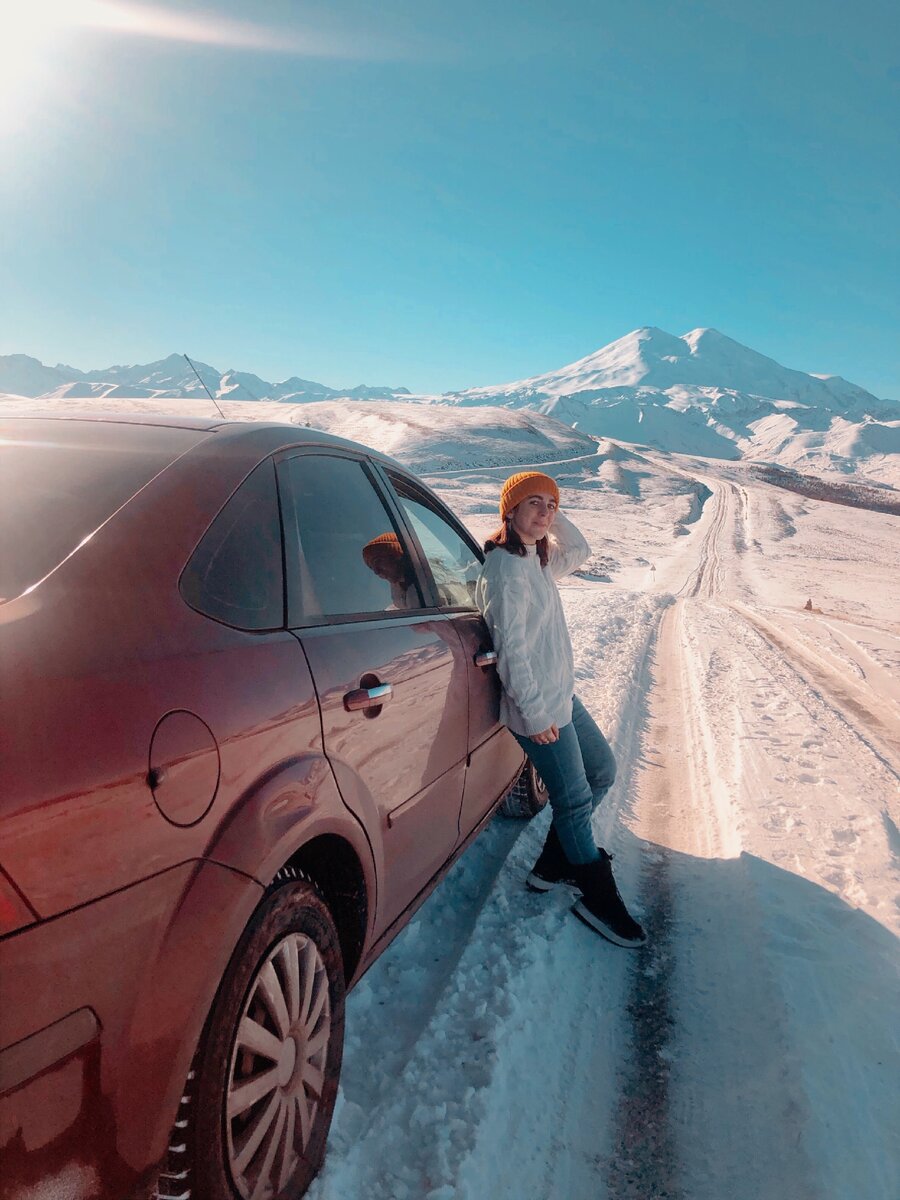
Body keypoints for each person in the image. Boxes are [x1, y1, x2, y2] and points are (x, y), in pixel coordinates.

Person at [476, 471, 646, 948]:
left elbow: (582, 551)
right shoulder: (507, 569)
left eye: (550, 505)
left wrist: (550, 511)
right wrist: (533, 714)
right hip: (538, 707)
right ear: (508, 510)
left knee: (601, 772)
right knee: (572, 798)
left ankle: (554, 864)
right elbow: (511, 649)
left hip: (558, 696)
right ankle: (595, 895)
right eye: (532, 504)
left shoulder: (535, 557)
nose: (545, 513)